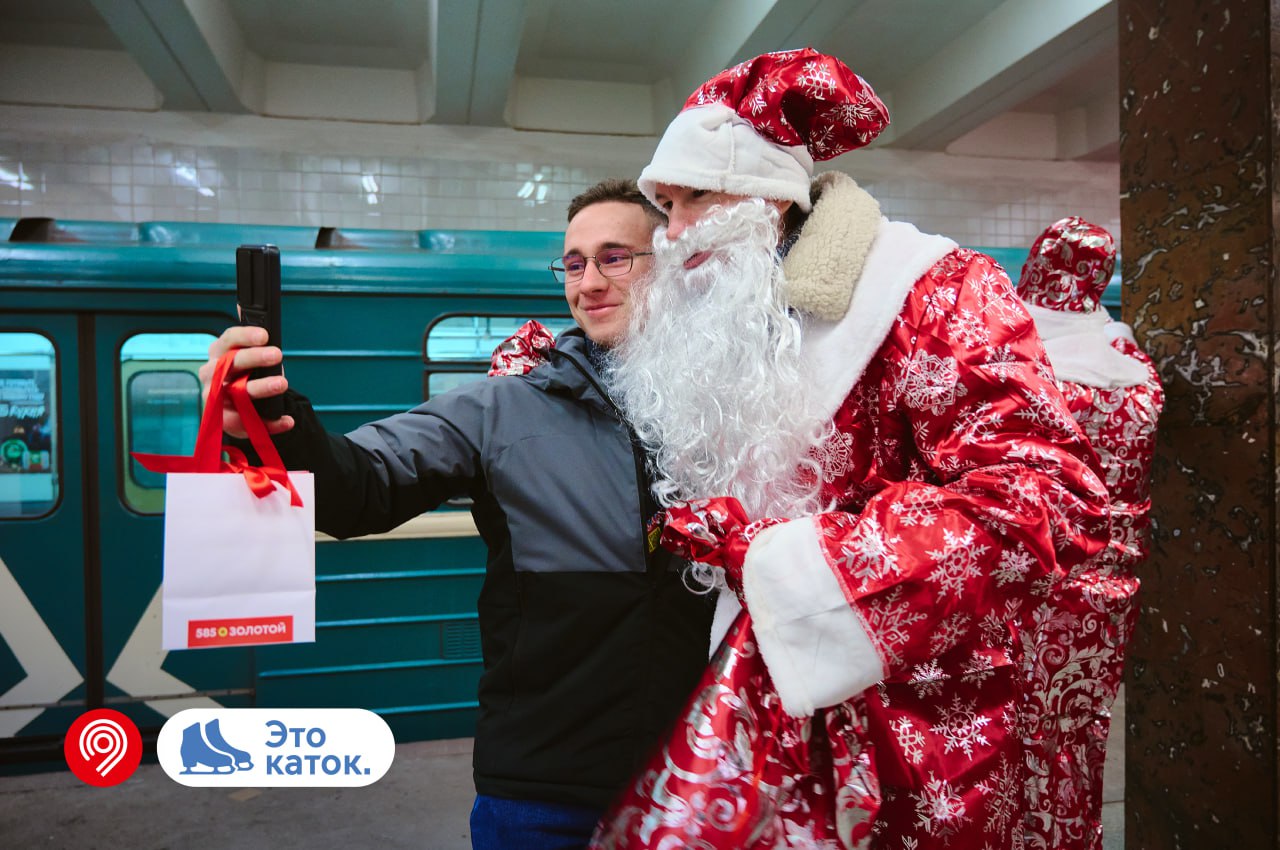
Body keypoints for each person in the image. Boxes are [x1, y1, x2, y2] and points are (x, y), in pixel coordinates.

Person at [589, 50, 1111, 849]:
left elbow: (1042, 495)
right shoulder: (745, 313)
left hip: (921, 733)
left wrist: (782, 561)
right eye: (666, 205)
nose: (676, 231)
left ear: (771, 195)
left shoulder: (935, 291)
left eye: (697, 197)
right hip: (766, 715)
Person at [199, 178, 714, 850]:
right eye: (573, 263)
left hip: (696, 783)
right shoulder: (500, 410)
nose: (588, 282)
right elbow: (361, 486)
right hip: (542, 797)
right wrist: (271, 426)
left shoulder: (728, 414)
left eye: (614, 258)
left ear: (669, 264)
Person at [1015, 217, 1164, 849]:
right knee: (1081, 726)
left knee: (1017, 731)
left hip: (1035, 584)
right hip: (1112, 590)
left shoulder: (1022, 366)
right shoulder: (1135, 370)